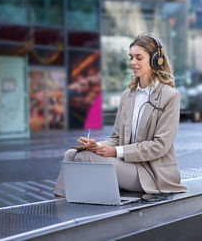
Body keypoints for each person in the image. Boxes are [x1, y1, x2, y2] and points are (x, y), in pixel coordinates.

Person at [54, 33, 188, 197]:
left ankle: (63, 206)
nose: (133, 63)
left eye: (139, 58)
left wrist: (115, 152)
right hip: (127, 165)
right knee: (72, 154)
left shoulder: (169, 96)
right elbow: (116, 137)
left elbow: (160, 146)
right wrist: (96, 145)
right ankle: (58, 201)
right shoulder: (128, 95)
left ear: (155, 60)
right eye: (131, 57)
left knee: (85, 158)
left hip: (152, 174)